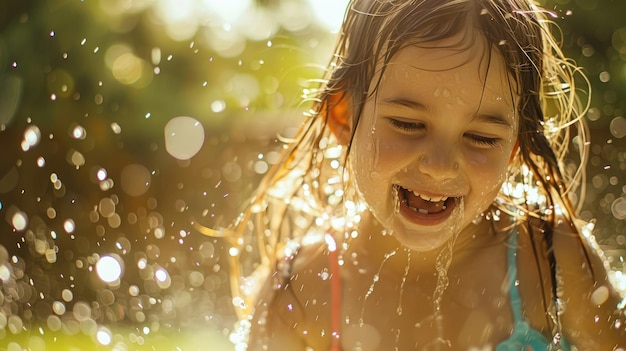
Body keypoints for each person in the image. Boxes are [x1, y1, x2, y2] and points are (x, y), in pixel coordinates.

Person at [206, 0, 626, 349]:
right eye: (407, 125)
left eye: (480, 137)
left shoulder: (552, 262)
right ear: (344, 116)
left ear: (515, 147)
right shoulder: (299, 292)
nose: (440, 165)